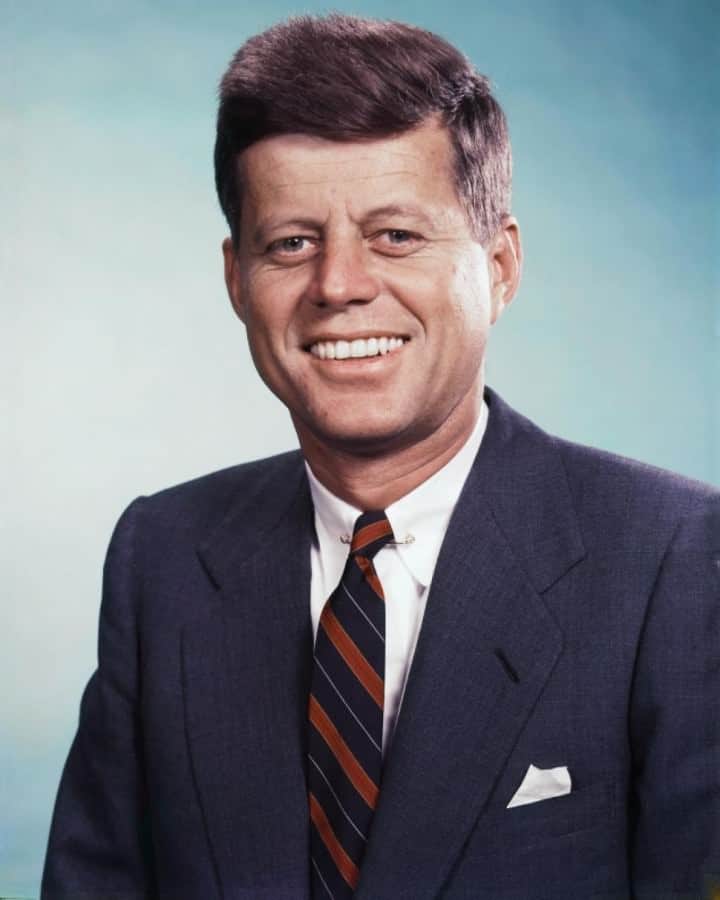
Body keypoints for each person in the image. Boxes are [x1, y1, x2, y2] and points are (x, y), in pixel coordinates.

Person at [41, 13, 719, 900]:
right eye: (291, 243)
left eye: (395, 236)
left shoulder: (672, 559)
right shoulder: (162, 555)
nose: (338, 284)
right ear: (236, 280)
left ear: (501, 266)